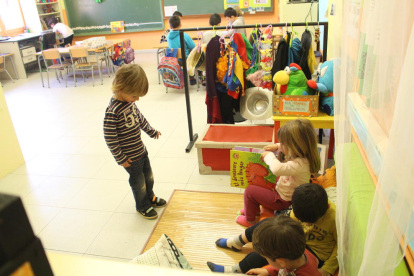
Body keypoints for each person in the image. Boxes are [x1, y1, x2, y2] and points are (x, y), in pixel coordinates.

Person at [212, 184, 338, 276]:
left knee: (271, 250)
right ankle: (237, 243)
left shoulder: (334, 219)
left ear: (326, 207)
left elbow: (341, 247)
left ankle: (234, 270)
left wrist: (327, 269)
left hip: (316, 252)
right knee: (269, 229)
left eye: (312, 221)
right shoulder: (301, 208)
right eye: (303, 221)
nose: (308, 224)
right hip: (297, 240)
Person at [103, 64, 167, 219]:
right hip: (130, 158)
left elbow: (140, 119)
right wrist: (121, 158)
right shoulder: (113, 111)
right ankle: (142, 205)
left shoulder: (130, 103)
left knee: (149, 177)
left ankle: (150, 197)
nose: (137, 99)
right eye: (134, 95)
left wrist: (151, 131)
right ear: (121, 88)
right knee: (139, 184)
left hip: (141, 151)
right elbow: (110, 138)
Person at [236, 118, 321, 227]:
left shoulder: (299, 164)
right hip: (285, 193)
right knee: (258, 183)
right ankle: (252, 209)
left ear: (294, 146)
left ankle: (250, 220)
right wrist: (278, 146)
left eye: (283, 144)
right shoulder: (303, 154)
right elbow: (290, 145)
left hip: (283, 201)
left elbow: (277, 169)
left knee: (249, 191)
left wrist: (269, 156)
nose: (282, 145)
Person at [208, 215, 321, 276]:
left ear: (280, 261)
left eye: (266, 258)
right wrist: (269, 271)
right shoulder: (301, 254)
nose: (265, 259)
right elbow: (285, 269)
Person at [166, 15, 197, 85]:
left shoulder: (168, 36)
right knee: (194, 56)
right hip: (184, 61)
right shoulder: (184, 35)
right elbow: (193, 47)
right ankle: (191, 78)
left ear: (170, 26)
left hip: (173, 60)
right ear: (180, 24)